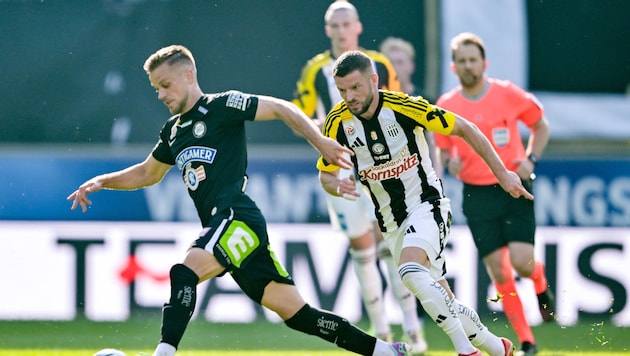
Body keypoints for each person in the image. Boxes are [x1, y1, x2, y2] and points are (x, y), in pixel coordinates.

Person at [67, 44, 412, 356]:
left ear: (188, 75)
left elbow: (280, 107)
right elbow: (147, 174)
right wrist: (102, 181)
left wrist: (320, 142)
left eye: (165, 85)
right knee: (300, 316)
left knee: (183, 273)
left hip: (235, 216)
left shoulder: (221, 106)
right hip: (228, 228)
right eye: (156, 88)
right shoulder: (173, 131)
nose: (160, 94)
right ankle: (387, 352)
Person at [317, 50, 521, 356]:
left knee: (409, 272)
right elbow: (326, 175)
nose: (350, 96)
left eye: (356, 87)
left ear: (374, 80)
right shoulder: (337, 123)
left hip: (428, 205)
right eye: (343, 90)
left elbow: (467, 128)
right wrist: (338, 185)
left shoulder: (405, 106)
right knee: (443, 299)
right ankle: (497, 347)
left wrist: (503, 174)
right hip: (391, 223)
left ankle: (466, 350)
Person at [292, 2, 428, 353]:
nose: (340, 30)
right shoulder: (314, 70)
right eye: (334, 25)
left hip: (381, 163)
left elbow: (396, 107)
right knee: (361, 246)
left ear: (357, 26)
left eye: (346, 24)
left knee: (392, 243)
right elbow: (302, 115)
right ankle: (381, 331)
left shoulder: (377, 65)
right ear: (327, 30)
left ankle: (413, 330)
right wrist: (321, 139)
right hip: (340, 165)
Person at [434, 32, 554, 356]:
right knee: (499, 271)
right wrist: (450, 163)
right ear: (453, 67)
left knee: (522, 263)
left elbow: (541, 125)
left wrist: (530, 160)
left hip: (512, 187)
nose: (468, 66)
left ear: (484, 63)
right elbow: (442, 149)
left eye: (473, 60)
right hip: (476, 193)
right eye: (462, 61)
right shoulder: (446, 106)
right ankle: (527, 340)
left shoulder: (506, 93)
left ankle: (539, 282)